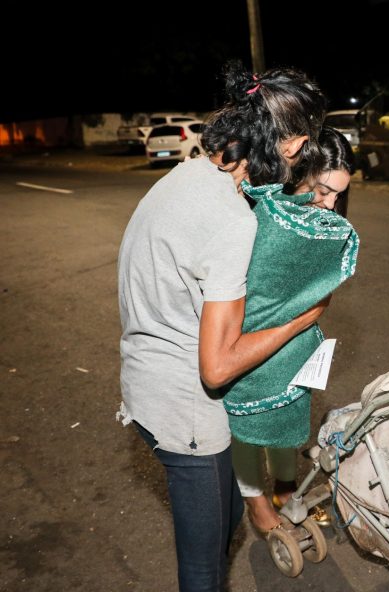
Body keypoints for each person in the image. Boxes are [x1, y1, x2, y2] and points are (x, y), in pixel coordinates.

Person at [116, 60, 326, 592]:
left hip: (146, 380)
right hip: (184, 408)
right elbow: (217, 367)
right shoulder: (232, 220)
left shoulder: (189, 173)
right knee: (204, 569)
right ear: (292, 143)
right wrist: (302, 317)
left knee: (229, 516)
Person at [231, 127, 356, 537]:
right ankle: (256, 502)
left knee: (287, 414)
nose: (330, 203)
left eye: (338, 194)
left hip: (291, 343)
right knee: (247, 425)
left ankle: (285, 487)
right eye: (322, 189)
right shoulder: (255, 209)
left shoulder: (321, 222)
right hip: (240, 337)